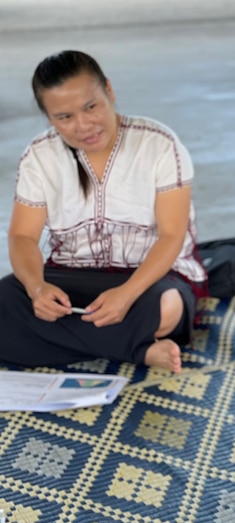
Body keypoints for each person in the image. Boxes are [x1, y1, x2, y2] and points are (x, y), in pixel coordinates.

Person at [0, 50, 206, 374]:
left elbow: (171, 236)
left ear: (109, 90)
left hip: (150, 279)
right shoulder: (39, 157)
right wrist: (37, 288)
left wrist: (126, 294)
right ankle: (138, 350)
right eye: (64, 117)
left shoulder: (160, 145)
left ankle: (69, 341)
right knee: (6, 300)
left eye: (91, 106)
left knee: (164, 309)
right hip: (71, 275)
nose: (83, 126)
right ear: (49, 117)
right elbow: (23, 236)